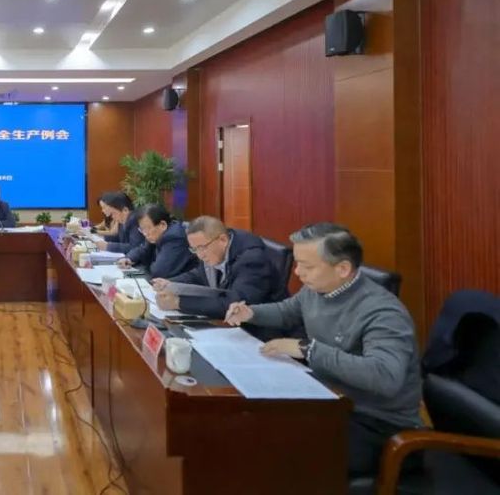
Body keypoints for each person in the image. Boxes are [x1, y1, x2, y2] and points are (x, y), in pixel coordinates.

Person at [225, 223, 422, 477]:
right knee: (246, 423)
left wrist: (307, 349)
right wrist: (251, 313)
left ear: (343, 269)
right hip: (329, 401)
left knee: (274, 450)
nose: (297, 273)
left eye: (307, 266)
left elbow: (385, 376)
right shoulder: (316, 290)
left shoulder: (383, 312)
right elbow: (287, 312)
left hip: (376, 425)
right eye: (297, 264)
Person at [152, 215, 287, 320]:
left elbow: (234, 304)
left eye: (202, 248)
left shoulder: (252, 261)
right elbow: (199, 274)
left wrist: (179, 303)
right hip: (229, 323)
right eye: (194, 249)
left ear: (223, 240)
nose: (200, 255)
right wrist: (171, 283)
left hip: (260, 333)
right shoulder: (214, 248)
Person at [117, 204, 198, 279]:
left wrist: (145, 266)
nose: (145, 234)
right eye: (142, 229)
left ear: (163, 225)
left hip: (184, 283)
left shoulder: (174, 237)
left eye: (148, 228)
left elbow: (159, 271)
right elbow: (143, 249)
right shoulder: (156, 234)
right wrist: (129, 258)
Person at [96, 192, 145, 263]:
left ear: (125, 210)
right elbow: (119, 239)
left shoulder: (135, 220)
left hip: (138, 263)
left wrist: (108, 246)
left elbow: (134, 247)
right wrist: (102, 240)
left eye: (113, 213)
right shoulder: (122, 220)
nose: (112, 217)